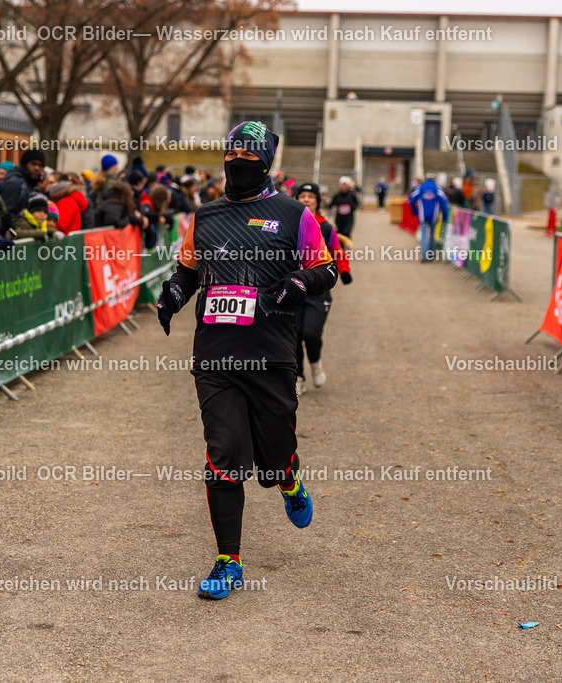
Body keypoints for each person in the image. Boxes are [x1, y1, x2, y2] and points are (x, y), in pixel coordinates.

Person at [156, 121, 337, 600]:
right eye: (230, 156)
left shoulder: (295, 214)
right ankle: (227, 561)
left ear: (265, 163)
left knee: (271, 461)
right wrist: (173, 293)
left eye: (247, 159)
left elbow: (325, 269)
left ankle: (288, 474)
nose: (237, 165)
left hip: (272, 355)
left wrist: (300, 283)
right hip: (215, 356)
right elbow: (187, 270)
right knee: (224, 456)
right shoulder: (206, 216)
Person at [292, 182, 352, 395]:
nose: (306, 199)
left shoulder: (325, 227)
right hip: (293, 290)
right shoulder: (289, 223)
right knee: (294, 335)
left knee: (311, 333)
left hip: (318, 291)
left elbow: (336, 251)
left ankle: (315, 363)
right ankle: (298, 377)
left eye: (311, 196)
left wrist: (344, 271)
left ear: (318, 202)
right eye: (302, 196)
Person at [409, 174, 448, 262]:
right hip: (434, 216)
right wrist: (444, 216)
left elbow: (412, 198)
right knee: (432, 235)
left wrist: (414, 211)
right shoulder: (437, 188)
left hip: (423, 216)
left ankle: (424, 257)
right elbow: (444, 202)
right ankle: (430, 255)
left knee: (423, 235)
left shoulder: (421, 188)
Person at [0, 149, 46, 217]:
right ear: (25, 164)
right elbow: (5, 213)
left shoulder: (34, 184)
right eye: (33, 164)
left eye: (40, 165)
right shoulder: (15, 183)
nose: (37, 168)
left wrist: (43, 191)